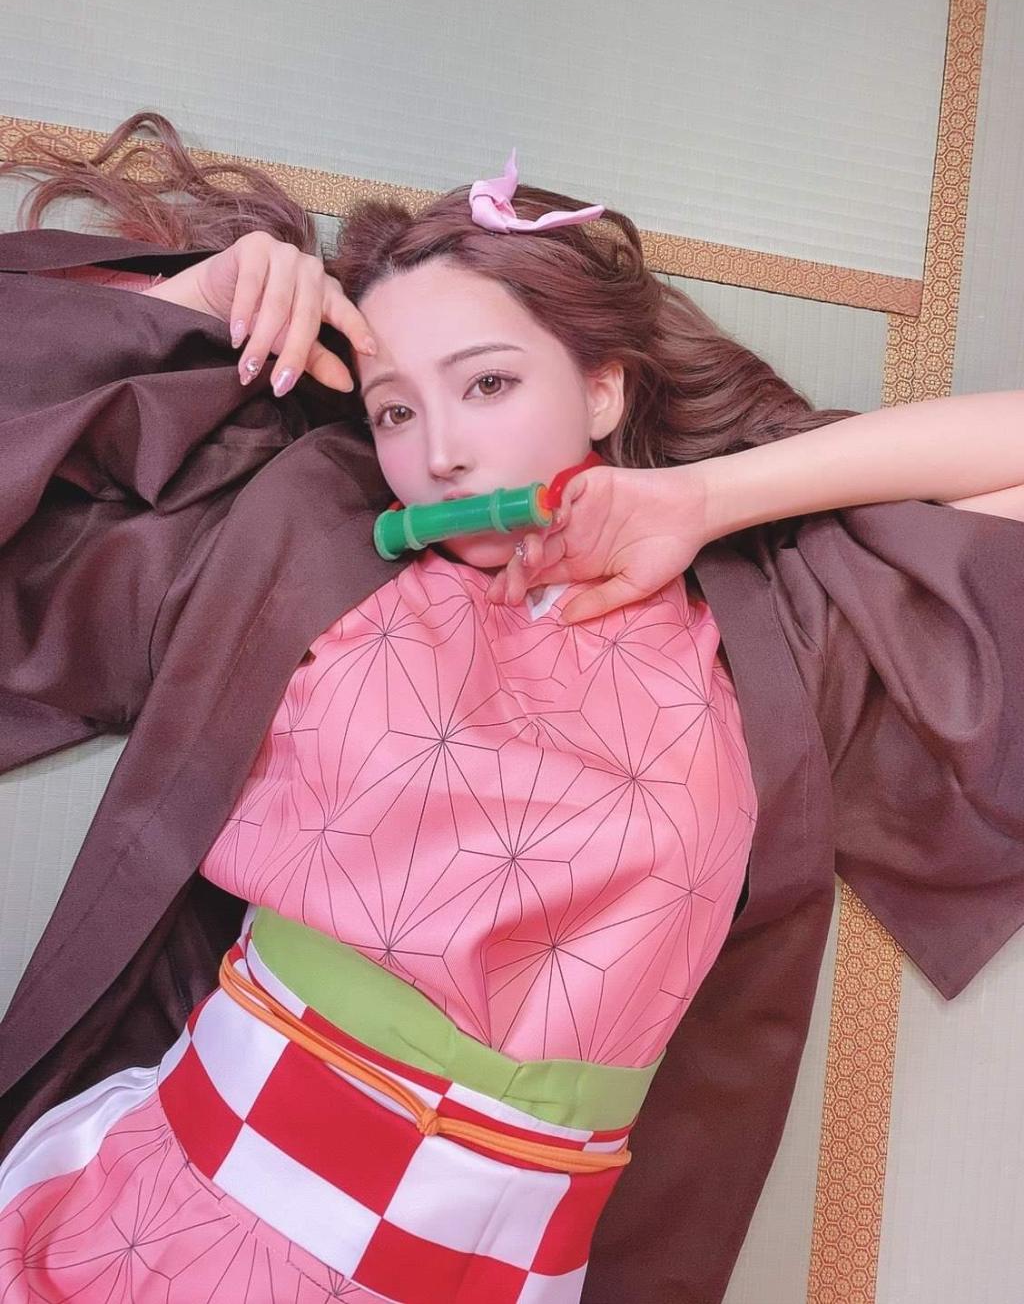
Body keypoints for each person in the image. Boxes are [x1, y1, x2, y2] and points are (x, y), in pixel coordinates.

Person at [0, 112, 1022, 1303]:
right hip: (174, 1226)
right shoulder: (299, 541)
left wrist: (708, 499)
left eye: (488, 383)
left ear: (602, 386)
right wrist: (193, 300)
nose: (440, 452)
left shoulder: (777, 631)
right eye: (394, 409)